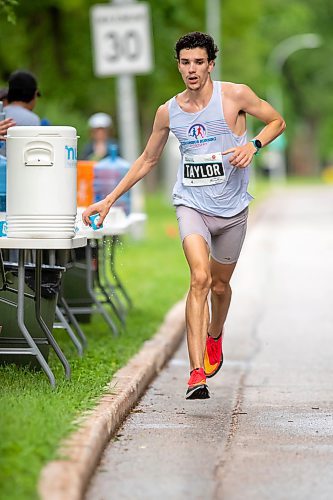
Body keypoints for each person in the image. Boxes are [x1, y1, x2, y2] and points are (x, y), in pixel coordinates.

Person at [82, 32, 286, 400]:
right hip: (191, 204)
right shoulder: (168, 112)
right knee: (199, 278)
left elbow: (277, 121)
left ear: (210, 64)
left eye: (198, 62)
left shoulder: (235, 95)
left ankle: (214, 335)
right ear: (178, 65)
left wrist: (253, 146)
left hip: (232, 209)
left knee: (220, 287)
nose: (191, 70)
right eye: (185, 62)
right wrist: (108, 199)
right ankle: (196, 374)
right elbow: (147, 160)